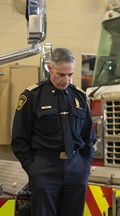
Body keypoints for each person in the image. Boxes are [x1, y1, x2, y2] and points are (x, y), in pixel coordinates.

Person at [11, 48, 96, 216]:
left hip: (76, 168)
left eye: (70, 74)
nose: (66, 80)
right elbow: (19, 139)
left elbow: (89, 136)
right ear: (50, 68)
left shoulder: (78, 96)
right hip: (45, 167)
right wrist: (34, 169)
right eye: (61, 75)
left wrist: (85, 164)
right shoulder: (32, 96)